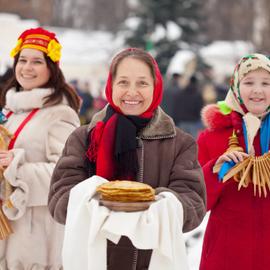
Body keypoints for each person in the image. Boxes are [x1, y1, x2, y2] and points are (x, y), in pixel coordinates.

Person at [48, 48, 206, 270]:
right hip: (94, 260)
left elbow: (194, 206)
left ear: (156, 87)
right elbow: (59, 201)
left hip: (150, 261)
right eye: (123, 82)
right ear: (111, 86)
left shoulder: (180, 143)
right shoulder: (84, 138)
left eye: (142, 83)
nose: (132, 92)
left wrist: (151, 205)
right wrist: (100, 200)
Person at [0, 27, 81, 269]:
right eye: (22, 60)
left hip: (36, 240)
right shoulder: (11, 110)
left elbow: (66, 176)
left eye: (37, 61)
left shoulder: (61, 114)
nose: (27, 67)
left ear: (51, 68)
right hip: (7, 229)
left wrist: (14, 166)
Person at [197, 53, 270, 270]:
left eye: (266, 83)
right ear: (236, 87)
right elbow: (197, 202)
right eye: (249, 82)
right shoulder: (212, 136)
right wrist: (215, 171)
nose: (258, 90)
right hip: (226, 255)